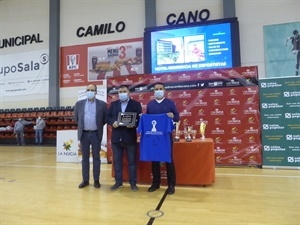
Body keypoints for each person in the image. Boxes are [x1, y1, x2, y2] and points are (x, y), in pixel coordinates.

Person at [145, 82, 180, 195]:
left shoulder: (170, 103)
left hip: (166, 136)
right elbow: (147, 120)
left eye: (160, 89)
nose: (158, 91)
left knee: (168, 160)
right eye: (156, 89)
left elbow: (177, 117)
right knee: (154, 160)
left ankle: (171, 185)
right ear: (154, 91)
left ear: (164, 90)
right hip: (154, 137)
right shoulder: (150, 104)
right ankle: (155, 183)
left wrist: (172, 116)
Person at [107, 85, 142, 192]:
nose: (122, 93)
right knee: (117, 161)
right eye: (120, 91)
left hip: (130, 137)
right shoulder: (113, 104)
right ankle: (118, 182)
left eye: (124, 91)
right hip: (116, 138)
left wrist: (134, 124)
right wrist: (113, 122)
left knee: (132, 162)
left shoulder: (136, 104)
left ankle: (133, 183)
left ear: (129, 93)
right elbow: (108, 117)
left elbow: (139, 119)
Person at [74, 84, 107, 189]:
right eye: (88, 90)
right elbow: (76, 119)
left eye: (92, 90)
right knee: (85, 158)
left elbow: (105, 119)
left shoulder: (102, 104)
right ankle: (85, 180)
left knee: (96, 158)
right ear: (86, 91)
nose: (90, 92)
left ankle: (96, 180)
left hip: (96, 134)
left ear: (96, 92)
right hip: (83, 134)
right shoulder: (79, 104)